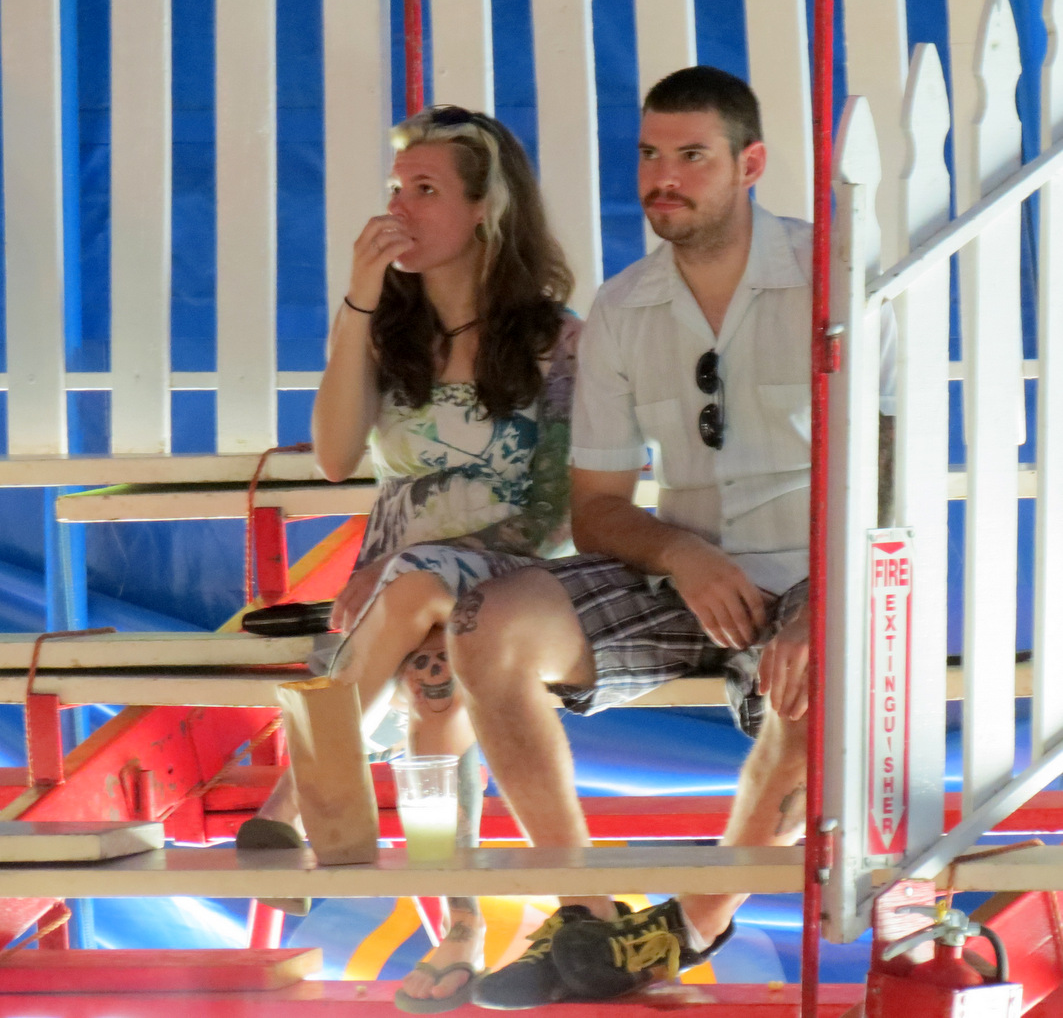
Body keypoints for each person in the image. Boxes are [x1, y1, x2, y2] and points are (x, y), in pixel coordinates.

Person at [443, 66, 896, 1008]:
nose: (664, 178)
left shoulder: (835, 278)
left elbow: (892, 474)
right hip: (679, 574)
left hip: (820, 570)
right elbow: (599, 507)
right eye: (651, 155)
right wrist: (682, 555)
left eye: (692, 156)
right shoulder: (622, 306)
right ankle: (586, 913)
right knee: (484, 623)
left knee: (817, 682)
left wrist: (825, 598)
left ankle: (681, 929)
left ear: (750, 165)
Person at [237, 104, 580, 1013]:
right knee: (432, 682)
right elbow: (336, 455)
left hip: (510, 578)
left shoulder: (556, 341)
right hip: (392, 590)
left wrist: (428, 570)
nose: (399, 207)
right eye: (396, 188)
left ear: (484, 210)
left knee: (430, 607)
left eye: (425, 189)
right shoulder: (386, 330)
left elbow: (554, 509)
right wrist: (357, 300)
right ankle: (456, 926)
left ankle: (295, 806)